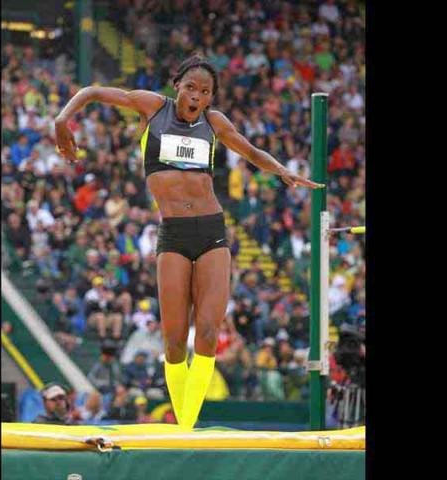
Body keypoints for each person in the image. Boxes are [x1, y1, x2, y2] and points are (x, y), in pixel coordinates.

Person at [55, 54, 323, 429]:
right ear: (177, 85)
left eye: (205, 91)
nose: (196, 95)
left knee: (209, 333)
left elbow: (249, 150)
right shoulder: (153, 108)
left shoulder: (214, 123)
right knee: (174, 342)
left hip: (211, 230)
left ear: (211, 97)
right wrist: (61, 119)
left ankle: (185, 428)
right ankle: (184, 423)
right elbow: (93, 91)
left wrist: (281, 170)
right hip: (173, 235)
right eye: (191, 87)